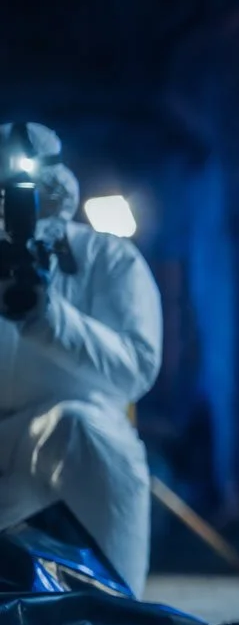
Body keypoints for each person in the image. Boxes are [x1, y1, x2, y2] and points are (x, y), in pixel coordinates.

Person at [0, 121, 163, 596]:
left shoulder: (109, 261)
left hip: (73, 442)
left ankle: (112, 611)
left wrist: (50, 319)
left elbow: (136, 368)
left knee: (81, 430)